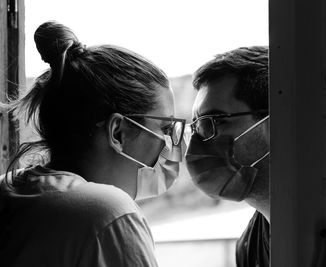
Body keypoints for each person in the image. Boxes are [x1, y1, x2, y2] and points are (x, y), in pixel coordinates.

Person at [0, 21, 186, 267]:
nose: (171, 143)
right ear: (118, 133)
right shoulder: (108, 214)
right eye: (164, 128)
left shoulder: (8, 187)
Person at [185, 46, 270, 267]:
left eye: (213, 121)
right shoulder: (248, 245)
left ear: (272, 123)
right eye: (196, 127)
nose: (196, 142)